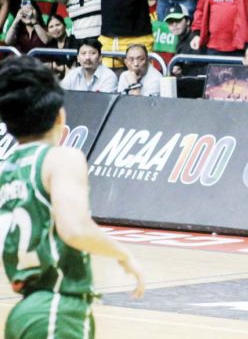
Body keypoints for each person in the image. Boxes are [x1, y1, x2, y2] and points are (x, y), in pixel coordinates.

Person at [0, 56, 145, 339]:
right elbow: (76, 229)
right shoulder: (61, 158)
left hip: (25, 310)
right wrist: (123, 254)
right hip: (57, 309)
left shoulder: (7, 169)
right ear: (60, 116)